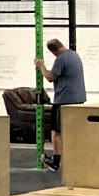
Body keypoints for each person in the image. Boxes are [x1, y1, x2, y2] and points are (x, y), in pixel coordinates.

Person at [35, 38, 87, 170]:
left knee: (56, 131)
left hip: (64, 99)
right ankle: (76, 159)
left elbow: (50, 77)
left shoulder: (61, 59)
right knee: (72, 130)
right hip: (79, 99)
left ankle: (56, 162)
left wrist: (41, 66)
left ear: (53, 51)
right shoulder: (74, 55)